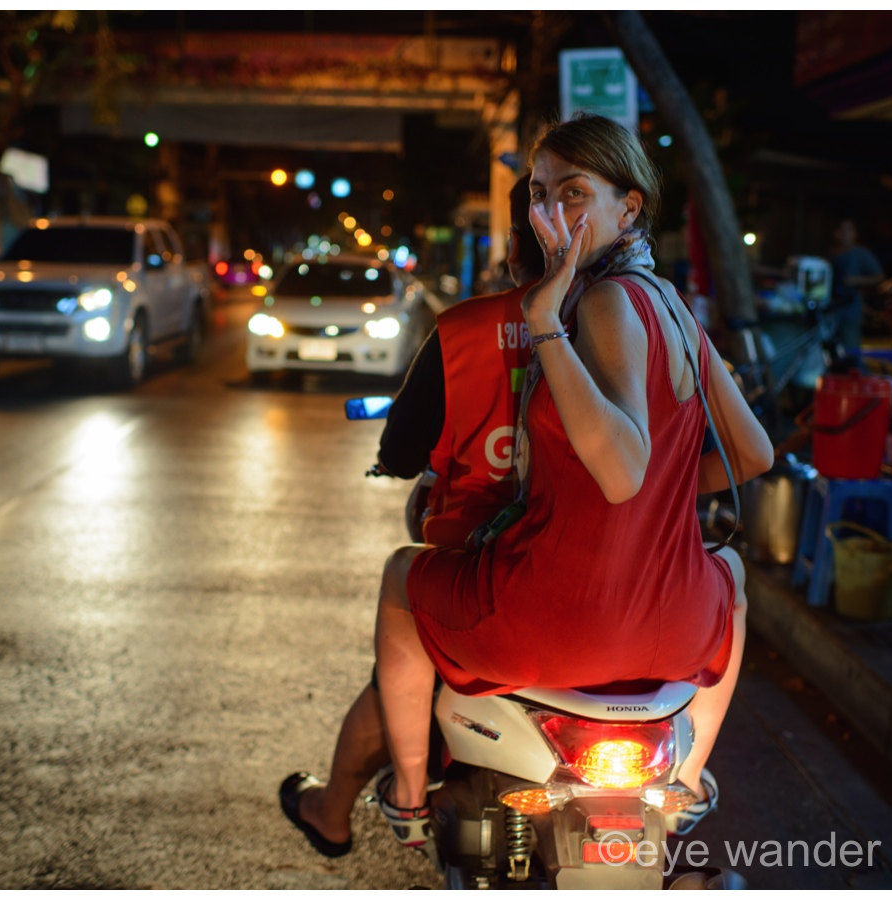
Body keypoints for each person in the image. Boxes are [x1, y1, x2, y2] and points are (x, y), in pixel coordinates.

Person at [361, 115, 772, 850]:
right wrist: (669, 497)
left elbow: (621, 473)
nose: (551, 213)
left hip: (554, 617)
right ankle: (688, 778)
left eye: (574, 193)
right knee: (732, 572)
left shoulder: (602, 303)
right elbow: (753, 456)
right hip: (671, 625)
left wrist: (544, 316)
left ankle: (409, 794)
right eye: (541, 193)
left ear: (631, 206)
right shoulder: (675, 307)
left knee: (402, 577)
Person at [280, 177, 546, 857]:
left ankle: (349, 807)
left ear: (513, 247)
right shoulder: (632, 323)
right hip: (608, 588)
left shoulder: (464, 331)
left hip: (476, 575)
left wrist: (408, 462)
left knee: (401, 640)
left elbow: (402, 447)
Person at [827, 218, 883, 361]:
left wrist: (856, 280)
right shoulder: (832, 254)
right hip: (831, 307)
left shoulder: (860, 253)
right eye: (842, 230)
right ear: (836, 233)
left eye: (849, 230)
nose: (845, 234)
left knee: (851, 349)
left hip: (850, 307)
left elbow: (878, 277)